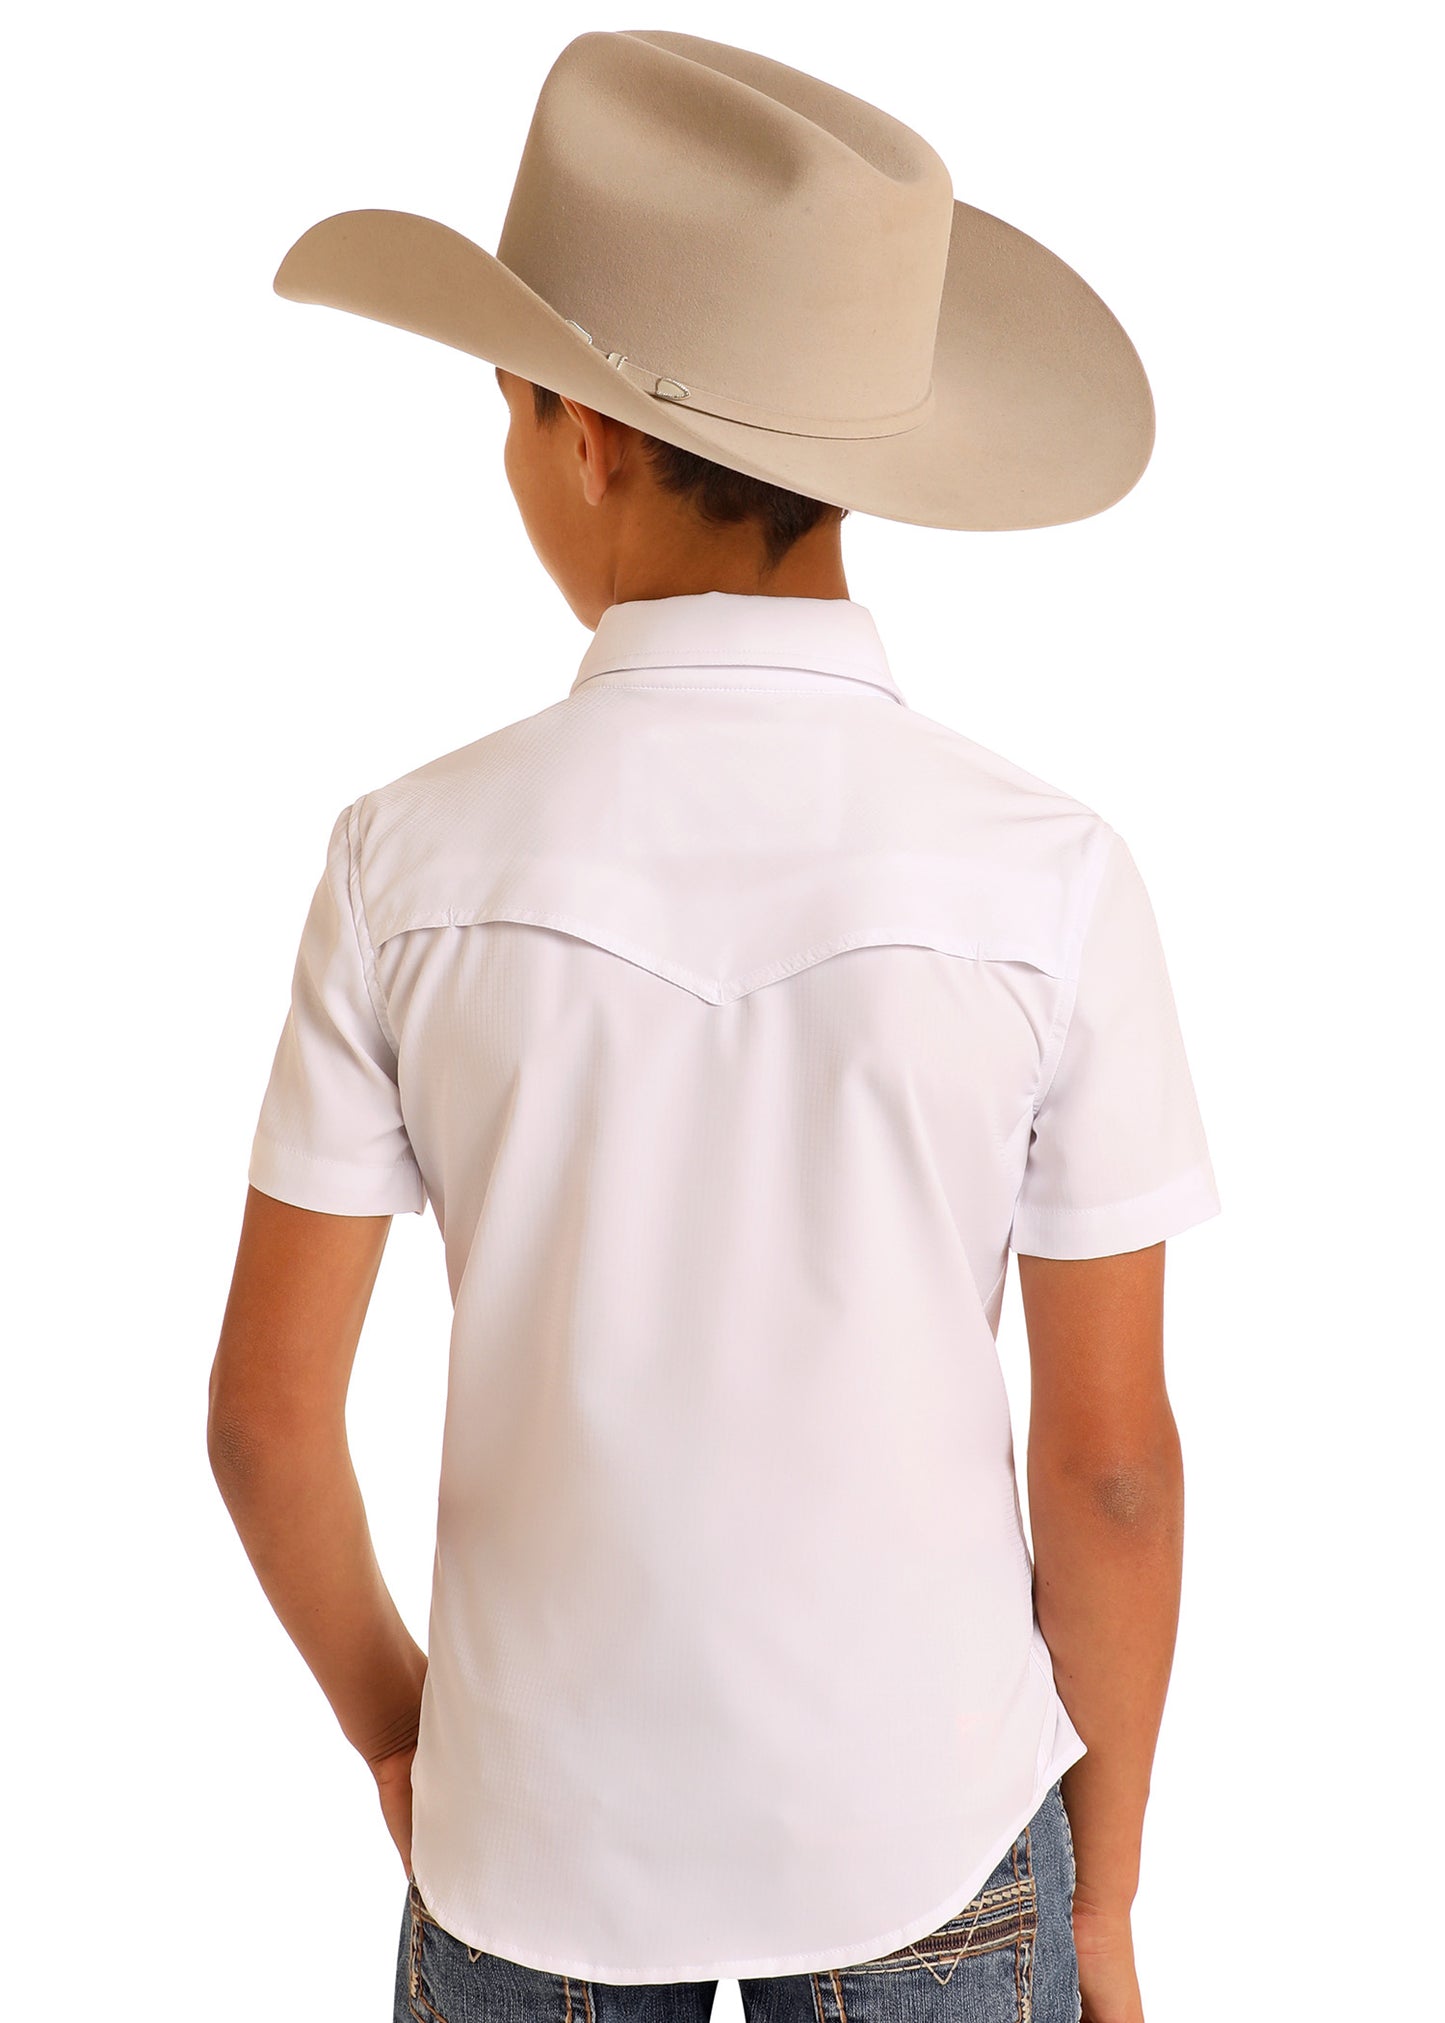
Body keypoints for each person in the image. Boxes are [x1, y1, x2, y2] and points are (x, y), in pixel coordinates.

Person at [207, 31, 1221, 2023]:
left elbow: (262, 1421)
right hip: (928, 1823)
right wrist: (1098, 1900)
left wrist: (409, 1736)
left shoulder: (405, 861)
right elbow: (1110, 1475)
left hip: (534, 1841)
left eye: (504, 413)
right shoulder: (1051, 872)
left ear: (580, 434)